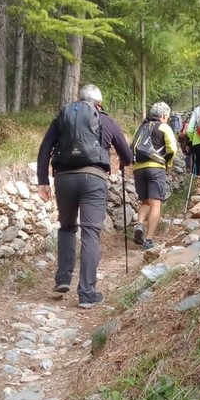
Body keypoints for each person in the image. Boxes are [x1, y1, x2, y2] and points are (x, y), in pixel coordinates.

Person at [37, 84, 132, 308]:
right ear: (98, 103)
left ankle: (62, 279)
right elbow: (126, 153)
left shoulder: (62, 117)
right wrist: (125, 162)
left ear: (78, 101)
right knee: (90, 233)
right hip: (94, 179)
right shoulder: (105, 119)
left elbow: (45, 149)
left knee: (67, 227)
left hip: (64, 179)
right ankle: (87, 293)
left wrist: (43, 180)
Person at [131, 101, 177, 251]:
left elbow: (133, 147)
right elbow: (172, 148)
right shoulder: (164, 127)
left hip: (139, 169)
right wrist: (167, 164)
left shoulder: (141, 128)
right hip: (156, 168)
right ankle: (149, 240)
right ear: (164, 115)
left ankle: (139, 224)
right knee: (155, 204)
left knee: (145, 201)